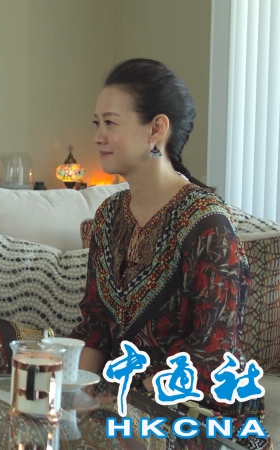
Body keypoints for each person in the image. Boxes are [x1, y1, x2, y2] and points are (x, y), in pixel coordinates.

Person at [70, 58, 269, 448]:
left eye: (110, 123)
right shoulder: (108, 216)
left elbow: (211, 355)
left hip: (197, 411)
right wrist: (76, 395)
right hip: (121, 399)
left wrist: (121, 400)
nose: (97, 136)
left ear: (156, 129)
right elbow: (95, 325)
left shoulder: (208, 224)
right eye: (97, 123)